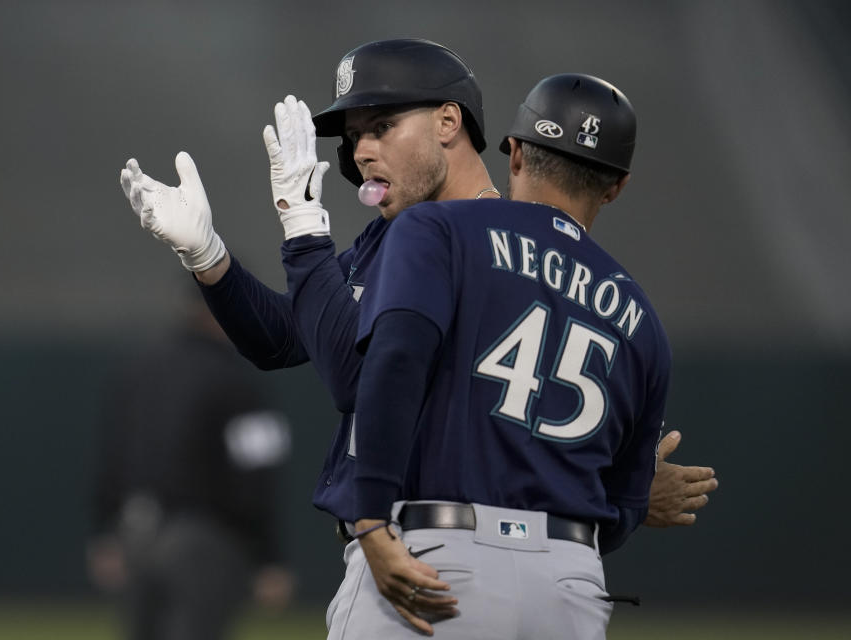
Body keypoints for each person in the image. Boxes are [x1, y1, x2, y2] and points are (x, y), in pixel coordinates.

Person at [118, 37, 716, 631]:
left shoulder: (447, 237)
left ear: (451, 122)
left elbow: (360, 375)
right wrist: (209, 257)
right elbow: (288, 338)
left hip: (432, 547)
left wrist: (303, 228)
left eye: (381, 125)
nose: (361, 152)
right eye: (354, 137)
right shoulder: (422, 236)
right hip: (563, 565)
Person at [345, 73, 667, 639]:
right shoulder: (643, 321)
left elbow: (394, 361)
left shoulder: (438, 228)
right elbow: (623, 505)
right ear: (616, 185)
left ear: (514, 152)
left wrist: (370, 519)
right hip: (571, 582)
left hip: (440, 560)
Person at [87, 304, 293, 640]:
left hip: (136, 532)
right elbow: (257, 475)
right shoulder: (237, 378)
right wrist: (269, 556)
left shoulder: (138, 370)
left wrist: (104, 532)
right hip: (204, 538)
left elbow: (113, 453)